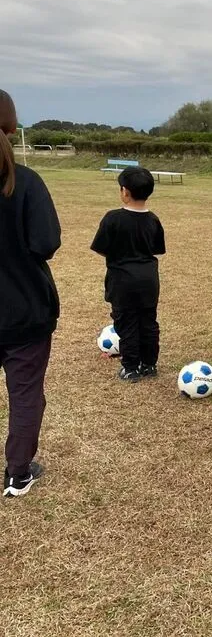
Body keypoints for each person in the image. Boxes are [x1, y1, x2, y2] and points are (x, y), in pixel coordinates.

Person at [0, 89, 61, 497]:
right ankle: (17, 472)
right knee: (24, 396)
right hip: (25, 313)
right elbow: (46, 243)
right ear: (13, 127)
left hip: (23, 315)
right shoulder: (27, 183)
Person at [91, 167, 165, 382]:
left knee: (127, 322)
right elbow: (156, 249)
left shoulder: (112, 218)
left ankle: (131, 367)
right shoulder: (153, 220)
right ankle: (149, 364)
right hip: (149, 279)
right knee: (148, 321)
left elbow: (101, 247)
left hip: (122, 280)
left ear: (124, 191)